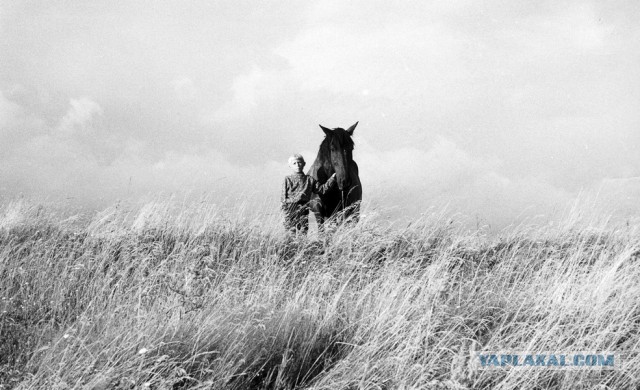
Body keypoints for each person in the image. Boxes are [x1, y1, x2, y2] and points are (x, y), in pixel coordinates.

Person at [281, 154, 336, 235]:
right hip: (290, 209)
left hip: (304, 209)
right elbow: (283, 198)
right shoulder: (287, 179)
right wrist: (285, 213)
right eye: (294, 163)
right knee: (290, 234)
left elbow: (322, 189)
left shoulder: (309, 179)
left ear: (304, 164)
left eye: (299, 162)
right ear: (290, 166)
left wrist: (332, 178)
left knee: (303, 233)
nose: (297, 165)